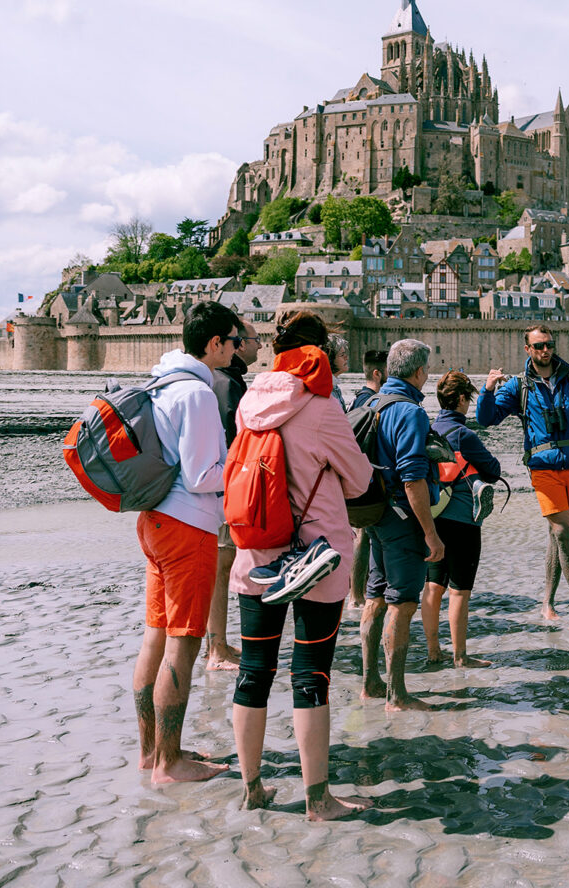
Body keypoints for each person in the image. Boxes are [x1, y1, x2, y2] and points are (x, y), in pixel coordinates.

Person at [228, 311, 373, 819]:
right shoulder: (321, 405)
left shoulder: (250, 402)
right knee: (312, 674)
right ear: (319, 352)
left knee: (253, 671)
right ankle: (318, 799)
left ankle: (253, 788)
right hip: (318, 560)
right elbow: (358, 480)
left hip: (258, 554)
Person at [131, 300, 238, 784]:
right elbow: (201, 476)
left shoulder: (162, 382)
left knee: (156, 637)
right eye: (234, 342)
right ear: (214, 343)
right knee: (184, 644)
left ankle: (152, 753)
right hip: (186, 527)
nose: (238, 351)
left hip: (154, 520)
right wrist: (241, 465)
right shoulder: (196, 395)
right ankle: (170, 764)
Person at [479, 325, 569, 632]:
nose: (544, 350)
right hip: (543, 468)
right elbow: (486, 419)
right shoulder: (517, 386)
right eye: (538, 346)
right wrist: (488, 389)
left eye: (548, 344)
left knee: (556, 535)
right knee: (562, 532)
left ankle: (546, 603)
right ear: (527, 350)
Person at [359, 338, 446, 710]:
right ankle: (397, 694)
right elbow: (413, 479)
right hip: (400, 517)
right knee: (403, 603)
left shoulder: (371, 402)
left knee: (375, 597)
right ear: (420, 371)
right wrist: (430, 533)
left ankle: (370, 683)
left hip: (375, 515)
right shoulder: (409, 412)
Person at [420, 370, 502, 669]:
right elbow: (493, 468)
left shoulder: (427, 429)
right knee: (459, 590)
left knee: (432, 586)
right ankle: (459, 655)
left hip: (433, 517)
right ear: (463, 399)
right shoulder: (464, 434)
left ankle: (432, 651)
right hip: (463, 521)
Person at [207, 316, 261, 671]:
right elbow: (233, 440)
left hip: (220, 487)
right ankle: (217, 650)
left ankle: (219, 645)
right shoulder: (228, 385)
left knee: (222, 567)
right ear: (237, 344)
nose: (261, 345)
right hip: (225, 489)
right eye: (256, 339)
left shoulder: (226, 381)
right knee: (222, 568)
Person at [346, 348, 389, 611]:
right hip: (366, 482)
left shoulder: (360, 400)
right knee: (362, 538)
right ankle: (357, 596)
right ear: (377, 373)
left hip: (360, 479)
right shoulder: (368, 402)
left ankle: (359, 592)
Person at [325, 336, 351, 410]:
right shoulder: (325, 391)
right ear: (330, 359)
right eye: (342, 355)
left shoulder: (335, 387)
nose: (346, 358)